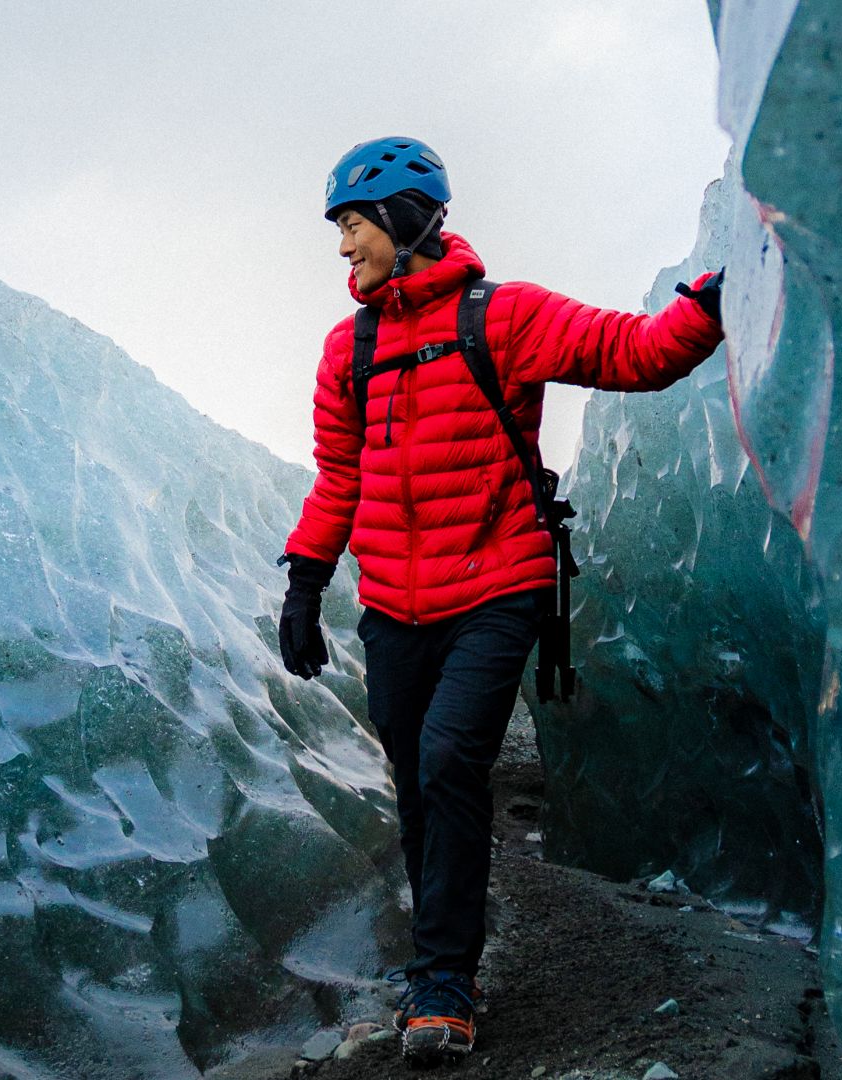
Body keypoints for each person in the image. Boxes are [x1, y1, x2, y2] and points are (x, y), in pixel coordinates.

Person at [277, 136, 724, 1064]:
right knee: (417, 780)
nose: (342, 246)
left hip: (496, 587)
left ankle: (444, 981)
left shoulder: (504, 316)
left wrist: (710, 306)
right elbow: (339, 479)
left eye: (352, 225)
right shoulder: (347, 347)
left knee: (447, 761)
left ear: (403, 220)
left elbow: (635, 354)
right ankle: (439, 961)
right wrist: (307, 581)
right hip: (395, 604)